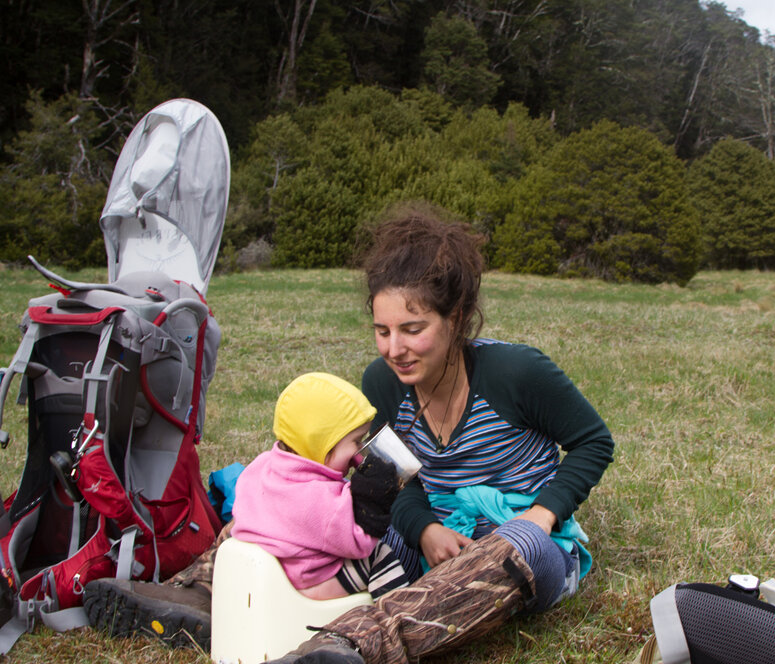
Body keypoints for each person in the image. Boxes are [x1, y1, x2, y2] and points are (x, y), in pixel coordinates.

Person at [84, 203, 615, 663]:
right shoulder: (383, 385)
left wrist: (540, 515)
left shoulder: (515, 373)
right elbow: (392, 486)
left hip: (528, 547)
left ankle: (355, 644)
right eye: (382, 331)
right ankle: (206, 592)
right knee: (328, 513)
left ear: (455, 318)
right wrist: (425, 529)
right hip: (438, 544)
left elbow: (594, 441)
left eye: (413, 329)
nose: (394, 349)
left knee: (515, 546)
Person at [231, 372, 407, 601]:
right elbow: (359, 544)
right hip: (308, 581)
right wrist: (371, 501)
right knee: (380, 555)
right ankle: (404, 617)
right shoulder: (319, 499)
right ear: (323, 445)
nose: (361, 450)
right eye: (356, 441)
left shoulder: (261, 467)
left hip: (261, 574)